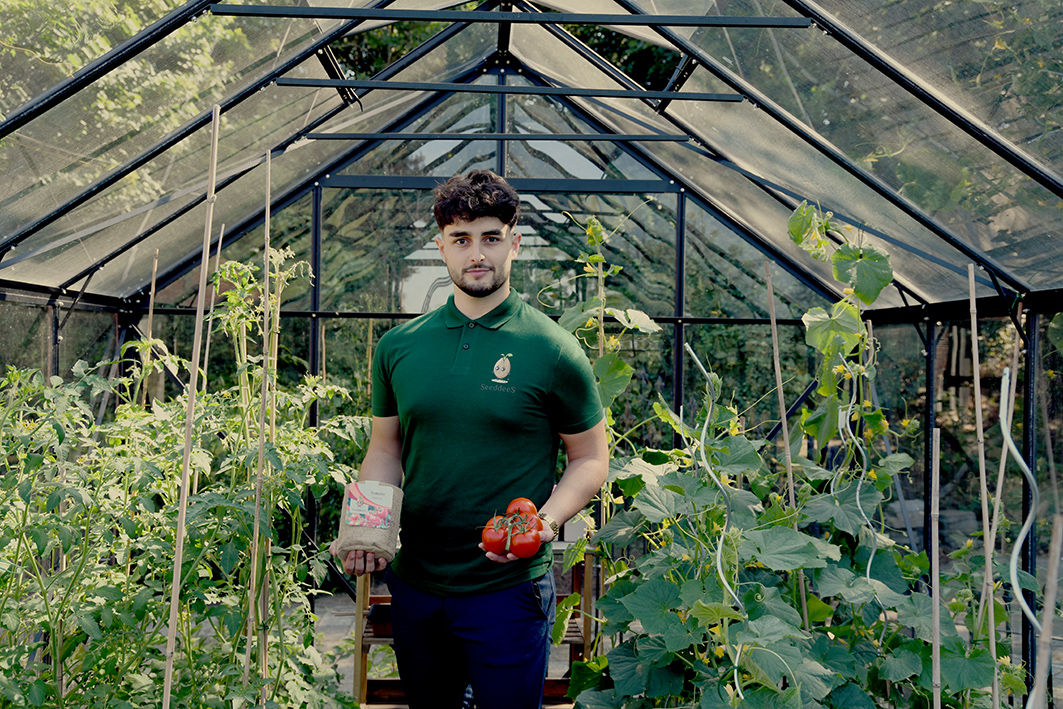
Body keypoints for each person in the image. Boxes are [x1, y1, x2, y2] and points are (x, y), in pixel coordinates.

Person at [330, 169, 609, 709]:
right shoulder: (399, 348)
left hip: (507, 591)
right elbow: (386, 449)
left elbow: (591, 459)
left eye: (490, 237)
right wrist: (366, 532)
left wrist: (544, 523)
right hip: (418, 585)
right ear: (441, 247)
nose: (476, 253)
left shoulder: (553, 349)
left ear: (515, 243)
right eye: (461, 239)